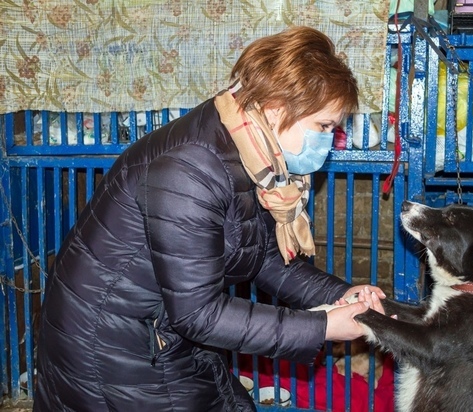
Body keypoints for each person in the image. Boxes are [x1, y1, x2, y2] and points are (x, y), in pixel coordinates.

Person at [33, 26, 386, 412]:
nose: (329, 139)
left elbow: (265, 257)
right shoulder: (191, 169)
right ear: (275, 108)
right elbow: (198, 313)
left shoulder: (251, 154)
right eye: (324, 126)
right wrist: (323, 328)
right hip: (111, 345)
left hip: (159, 331)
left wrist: (339, 296)